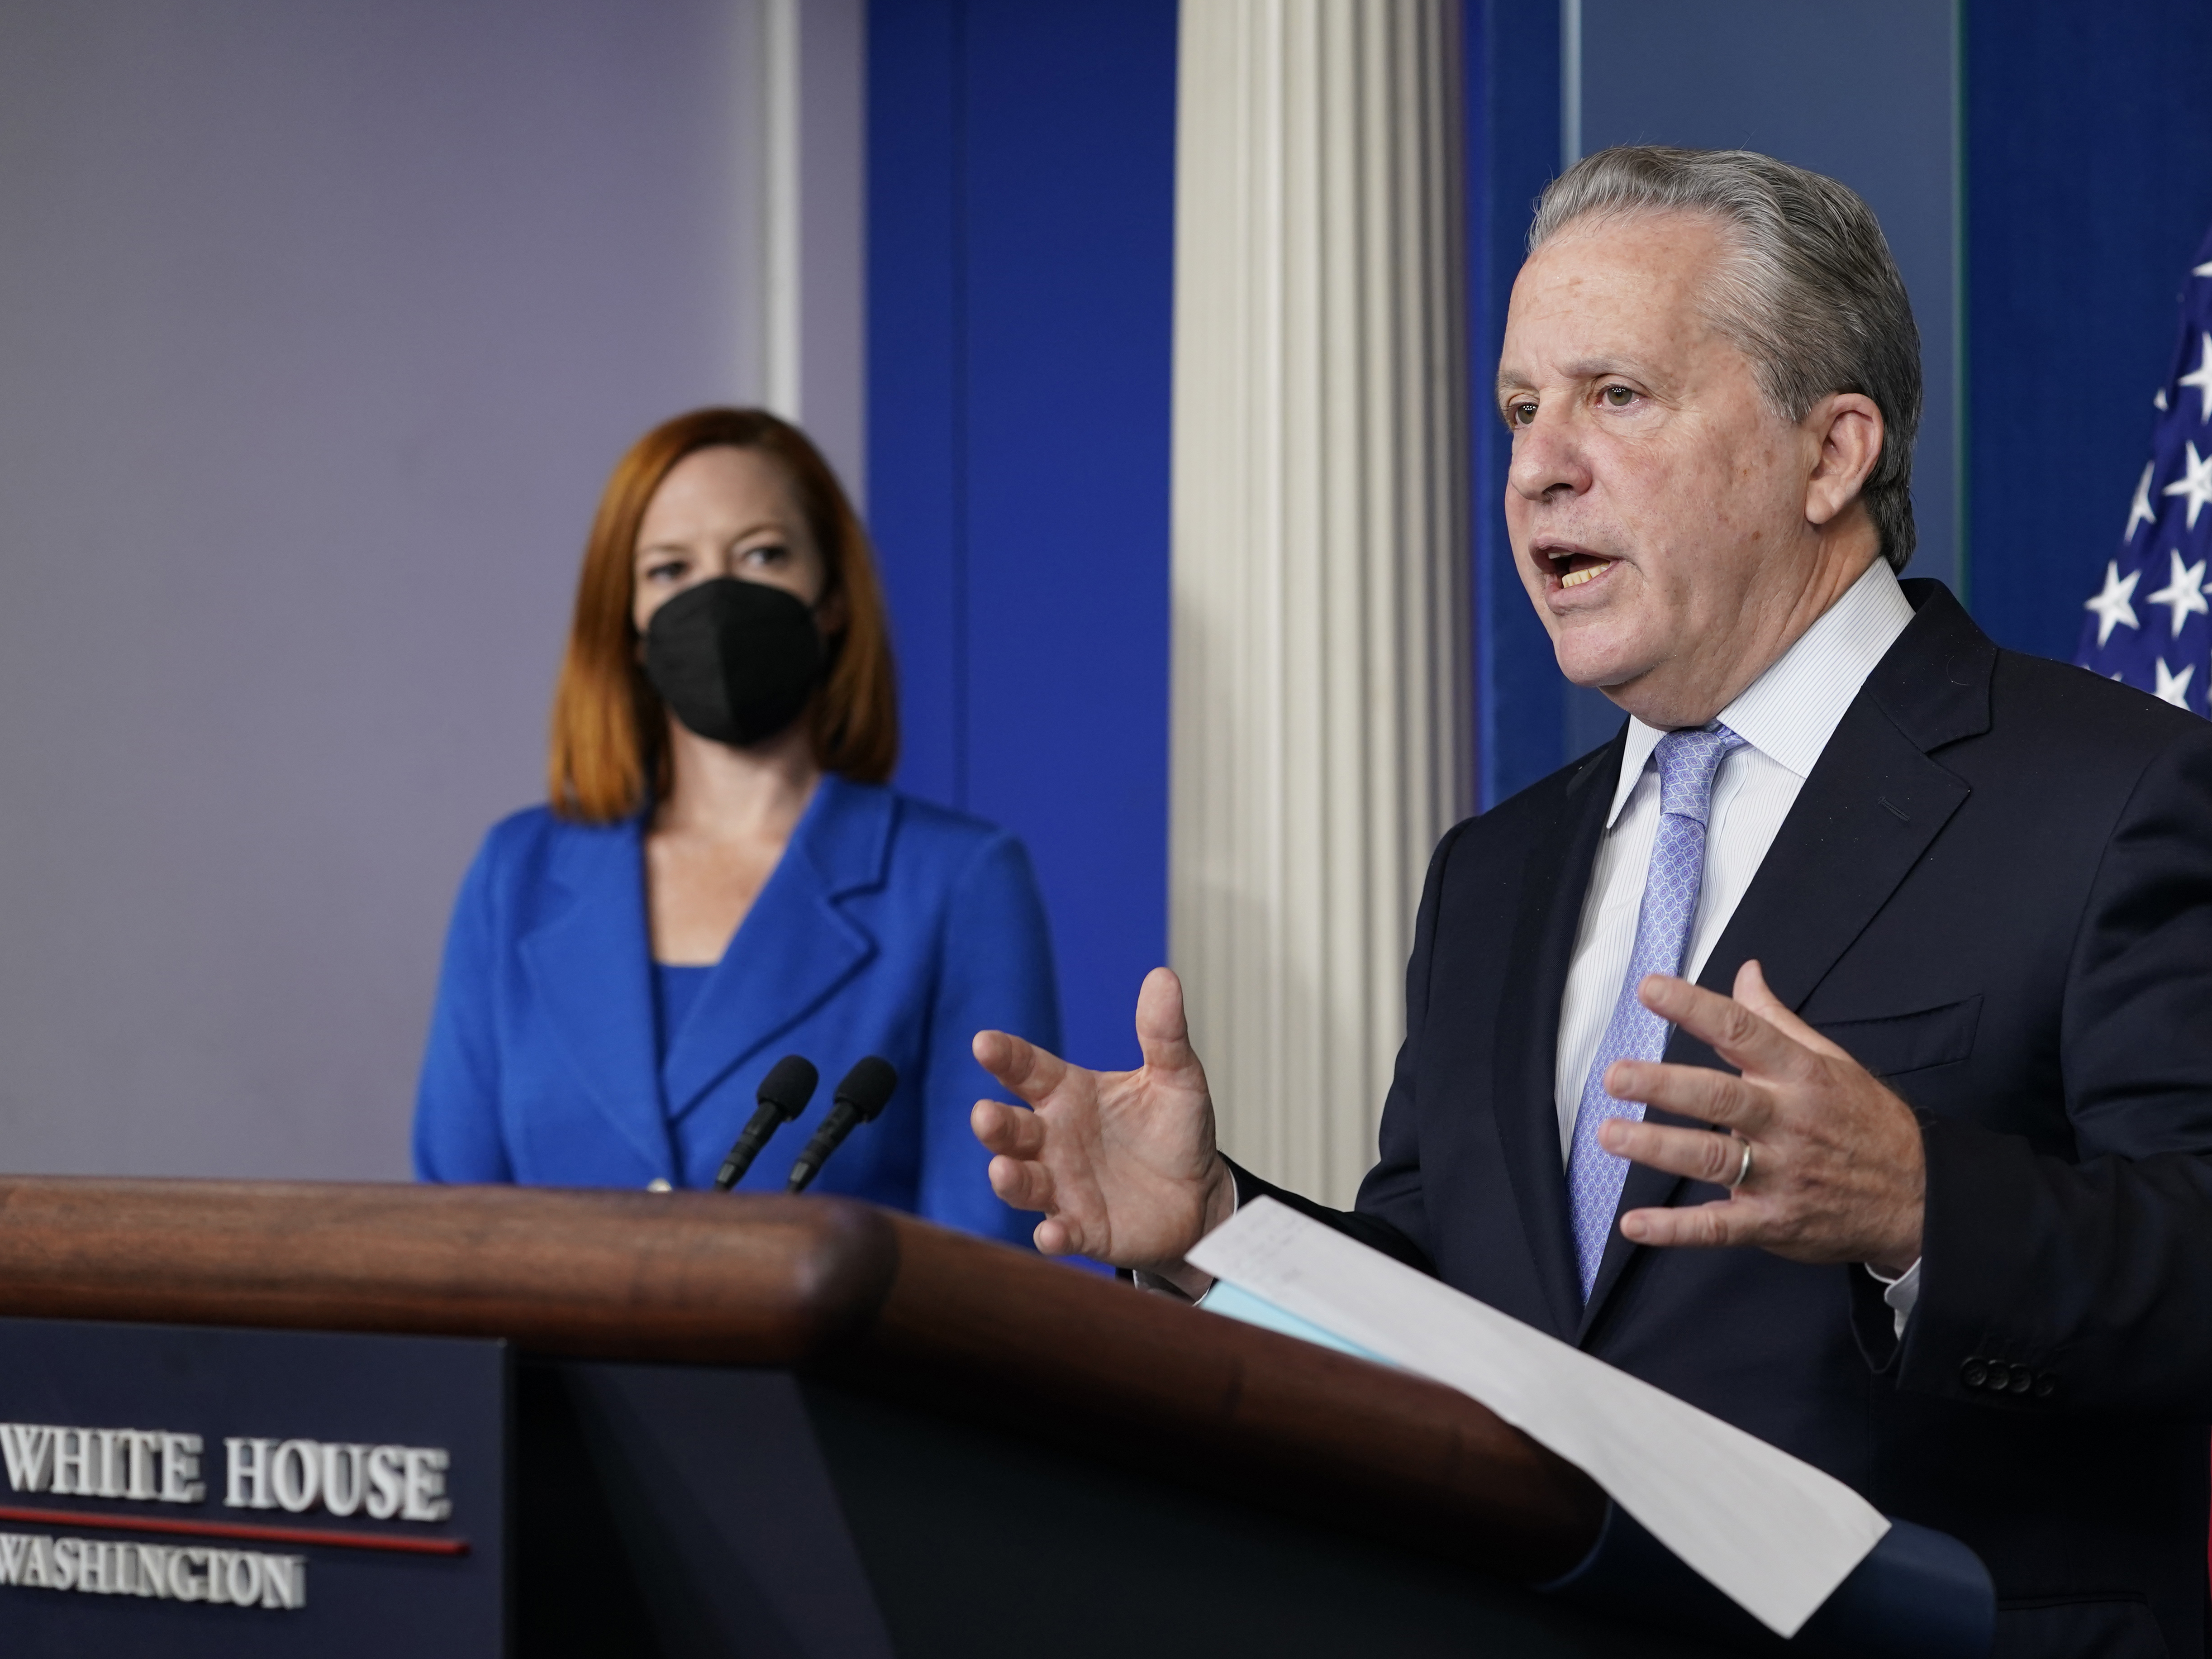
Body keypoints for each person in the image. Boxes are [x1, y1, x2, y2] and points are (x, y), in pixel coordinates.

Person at [970, 148, 2212, 1658]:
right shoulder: (1493, 872)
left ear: (1830, 453)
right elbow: (1458, 1317)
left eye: (1615, 396)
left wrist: (1918, 1206)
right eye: (1519, 410)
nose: (1536, 468)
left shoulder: (2114, 791)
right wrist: (1215, 1230)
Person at [415, 407, 1056, 1244]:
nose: (715, 599)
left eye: (762, 554)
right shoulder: (517, 873)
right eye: (669, 568)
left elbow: (985, 1257)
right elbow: (449, 1225)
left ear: (832, 597)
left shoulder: (958, 882)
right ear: (628, 622)